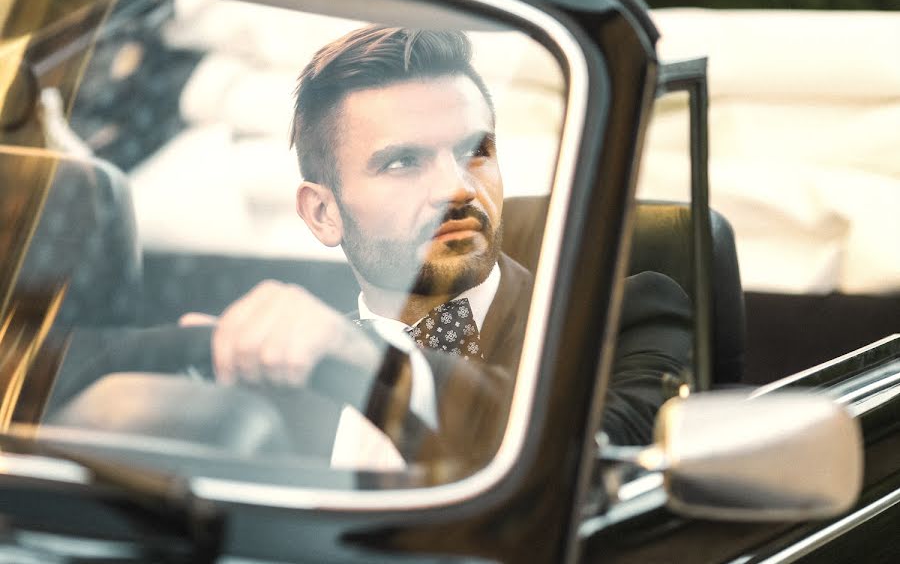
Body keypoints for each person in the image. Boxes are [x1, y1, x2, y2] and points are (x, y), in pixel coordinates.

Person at [177, 26, 692, 453]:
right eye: (403, 162)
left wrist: (375, 365)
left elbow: (595, 454)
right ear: (322, 213)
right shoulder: (278, 367)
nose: (458, 188)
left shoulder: (626, 317)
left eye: (475, 152)